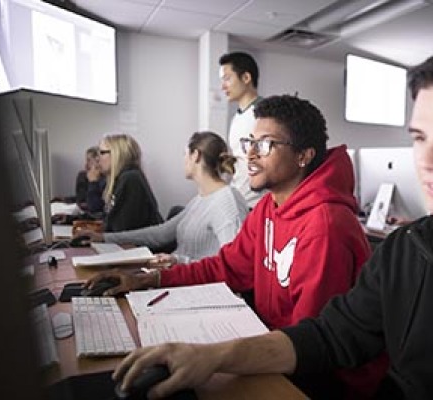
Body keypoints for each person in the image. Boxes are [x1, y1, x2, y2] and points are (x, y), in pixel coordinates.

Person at [112, 44, 433, 399]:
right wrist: (212, 356)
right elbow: (327, 336)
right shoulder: (410, 251)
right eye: (420, 138)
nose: (430, 160)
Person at [89, 95, 387, 398]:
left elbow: (311, 345)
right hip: (277, 349)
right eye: (249, 143)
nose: (250, 155)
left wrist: (216, 356)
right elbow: (226, 266)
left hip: (323, 381)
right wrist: (150, 279)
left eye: (266, 144)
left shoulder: (325, 226)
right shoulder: (269, 207)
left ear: (303, 156)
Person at [84, 131, 248, 264]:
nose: (183, 159)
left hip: (199, 289)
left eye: (184, 154)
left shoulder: (227, 201)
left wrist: (179, 261)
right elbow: (162, 233)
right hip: (180, 278)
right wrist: (104, 238)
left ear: (195, 155)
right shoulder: (200, 199)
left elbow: (235, 264)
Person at [219, 51, 267, 208]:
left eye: (227, 79)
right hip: (239, 198)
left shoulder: (264, 113)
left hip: (256, 203)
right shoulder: (237, 118)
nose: (223, 86)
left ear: (246, 78)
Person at [98, 133, 163, 232]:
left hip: (136, 246)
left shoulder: (130, 179)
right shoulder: (121, 179)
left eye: (102, 153)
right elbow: (109, 219)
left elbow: (122, 229)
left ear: (118, 154)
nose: (98, 158)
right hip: (127, 244)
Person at [74, 145, 105, 213]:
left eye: (89, 160)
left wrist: (93, 181)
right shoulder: (83, 175)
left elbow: (95, 207)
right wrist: (65, 200)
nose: (86, 164)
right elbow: (81, 198)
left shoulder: (106, 178)